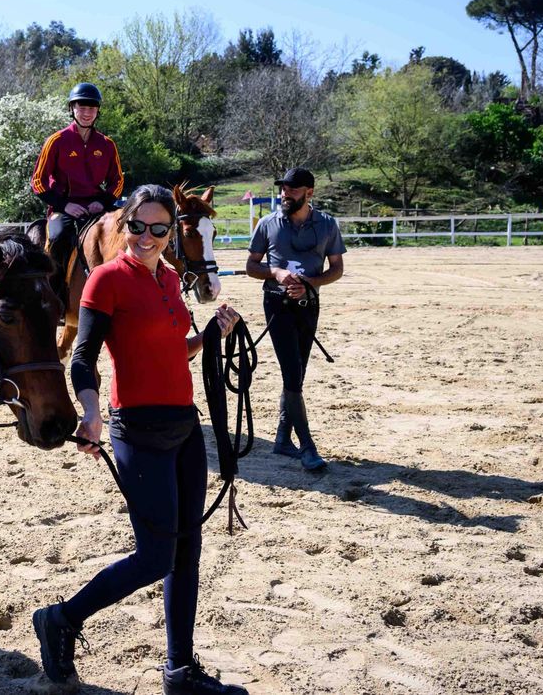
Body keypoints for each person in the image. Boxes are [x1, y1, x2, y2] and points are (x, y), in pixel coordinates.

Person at [33, 184, 248, 695]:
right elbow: (82, 356)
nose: (146, 237)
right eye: (138, 226)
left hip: (184, 426)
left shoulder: (172, 279)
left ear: (171, 232)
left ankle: (178, 670)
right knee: (154, 556)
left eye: (158, 229)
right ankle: (61, 618)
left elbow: (178, 350)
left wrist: (212, 334)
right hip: (137, 428)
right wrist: (90, 414)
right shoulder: (106, 281)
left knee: (187, 549)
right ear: (125, 224)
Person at [245, 167, 345, 473]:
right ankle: (307, 447)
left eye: (292, 190)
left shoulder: (327, 225)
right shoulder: (267, 224)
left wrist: (311, 283)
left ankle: (282, 439)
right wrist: (275, 272)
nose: (285, 195)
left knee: (298, 372)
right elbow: (251, 266)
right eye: (283, 189)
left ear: (309, 193)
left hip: (309, 304)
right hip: (277, 303)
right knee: (291, 372)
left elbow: (337, 269)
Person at [30, 82, 124, 301]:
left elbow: (117, 181)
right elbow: (37, 181)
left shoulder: (107, 144)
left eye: (92, 108)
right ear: (71, 108)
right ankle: (54, 296)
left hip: (98, 206)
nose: (87, 113)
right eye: (81, 107)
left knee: (126, 233)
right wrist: (65, 205)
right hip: (64, 207)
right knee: (57, 237)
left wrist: (102, 201)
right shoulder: (56, 141)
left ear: (98, 111)